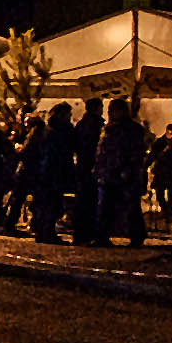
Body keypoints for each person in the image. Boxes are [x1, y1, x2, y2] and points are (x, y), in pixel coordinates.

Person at [92, 96, 148, 247]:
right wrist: (98, 168)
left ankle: (136, 237)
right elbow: (102, 150)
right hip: (108, 173)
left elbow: (137, 152)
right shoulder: (108, 128)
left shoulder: (133, 129)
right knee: (105, 206)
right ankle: (102, 237)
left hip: (125, 174)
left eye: (112, 110)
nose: (110, 113)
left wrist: (129, 169)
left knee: (131, 207)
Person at [14, 115, 58, 242]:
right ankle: (37, 226)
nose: (25, 126)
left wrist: (18, 149)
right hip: (37, 171)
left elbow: (26, 152)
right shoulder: (43, 134)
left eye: (27, 124)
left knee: (22, 198)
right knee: (37, 200)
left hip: (31, 171)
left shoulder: (35, 136)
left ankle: (36, 227)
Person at [44, 103, 79, 244]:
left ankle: (46, 232)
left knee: (52, 202)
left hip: (51, 170)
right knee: (52, 203)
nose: (70, 117)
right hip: (55, 171)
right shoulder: (59, 131)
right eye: (68, 114)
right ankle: (47, 233)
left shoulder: (50, 129)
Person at [73, 97, 105, 242]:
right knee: (91, 201)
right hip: (92, 166)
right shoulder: (97, 125)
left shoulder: (81, 125)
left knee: (82, 200)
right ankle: (89, 232)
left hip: (82, 166)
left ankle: (80, 233)